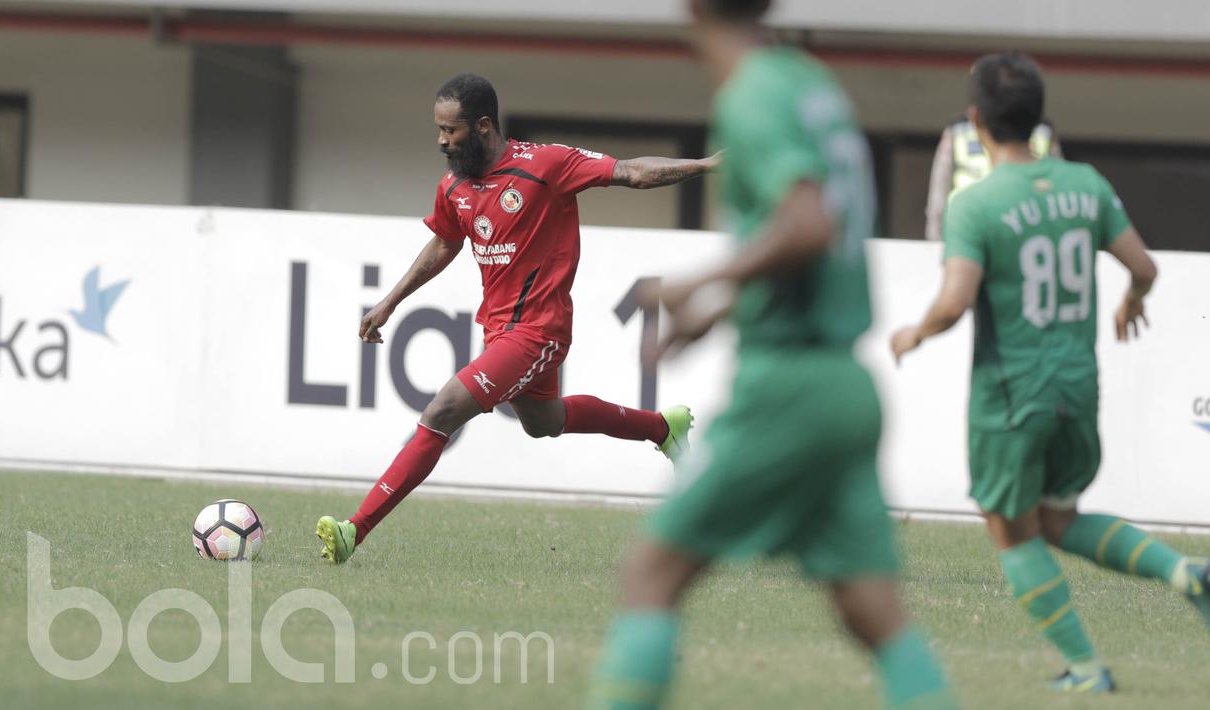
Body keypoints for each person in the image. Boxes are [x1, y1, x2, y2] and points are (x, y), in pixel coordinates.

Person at [586, 2, 958, 708]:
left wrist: (700, 281)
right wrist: (723, 308)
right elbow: (811, 232)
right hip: (845, 384)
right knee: (872, 609)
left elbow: (806, 224)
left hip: (788, 385)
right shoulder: (808, 82)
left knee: (652, 572)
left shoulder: (750, 94)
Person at [892, 51, 1210, 693]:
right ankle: (1186, 573)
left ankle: (1087, 668)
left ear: (975, 120)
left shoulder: (974, 204)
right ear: (1039, 118)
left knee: (1011, 530)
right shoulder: (1085, 184)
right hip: (1078, 387)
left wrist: (915, 332)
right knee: (1059, 519)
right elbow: (1145, 268)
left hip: (1013, 396)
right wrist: (1131, 301)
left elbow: (955, 302)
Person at [315, 74, 718, 564]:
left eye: (451, 130)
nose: (442, 141)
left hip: (539, 330)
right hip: (499, 330)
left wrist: (707, 164)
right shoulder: (453, 186)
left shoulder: (545, 165)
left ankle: (354, 529)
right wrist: (390, 302)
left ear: (483, 126)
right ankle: (661, 428)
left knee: (442, 412)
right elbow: (444, 243)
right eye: (439, 130)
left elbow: (631, 171)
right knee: (543, 421)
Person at [925, 112, 1061, 241]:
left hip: (1025, 232)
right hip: (968, 232)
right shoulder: (958, 130)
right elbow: (938, 198)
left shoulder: (1044, 131)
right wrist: (936, 244)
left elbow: (1058, 189)